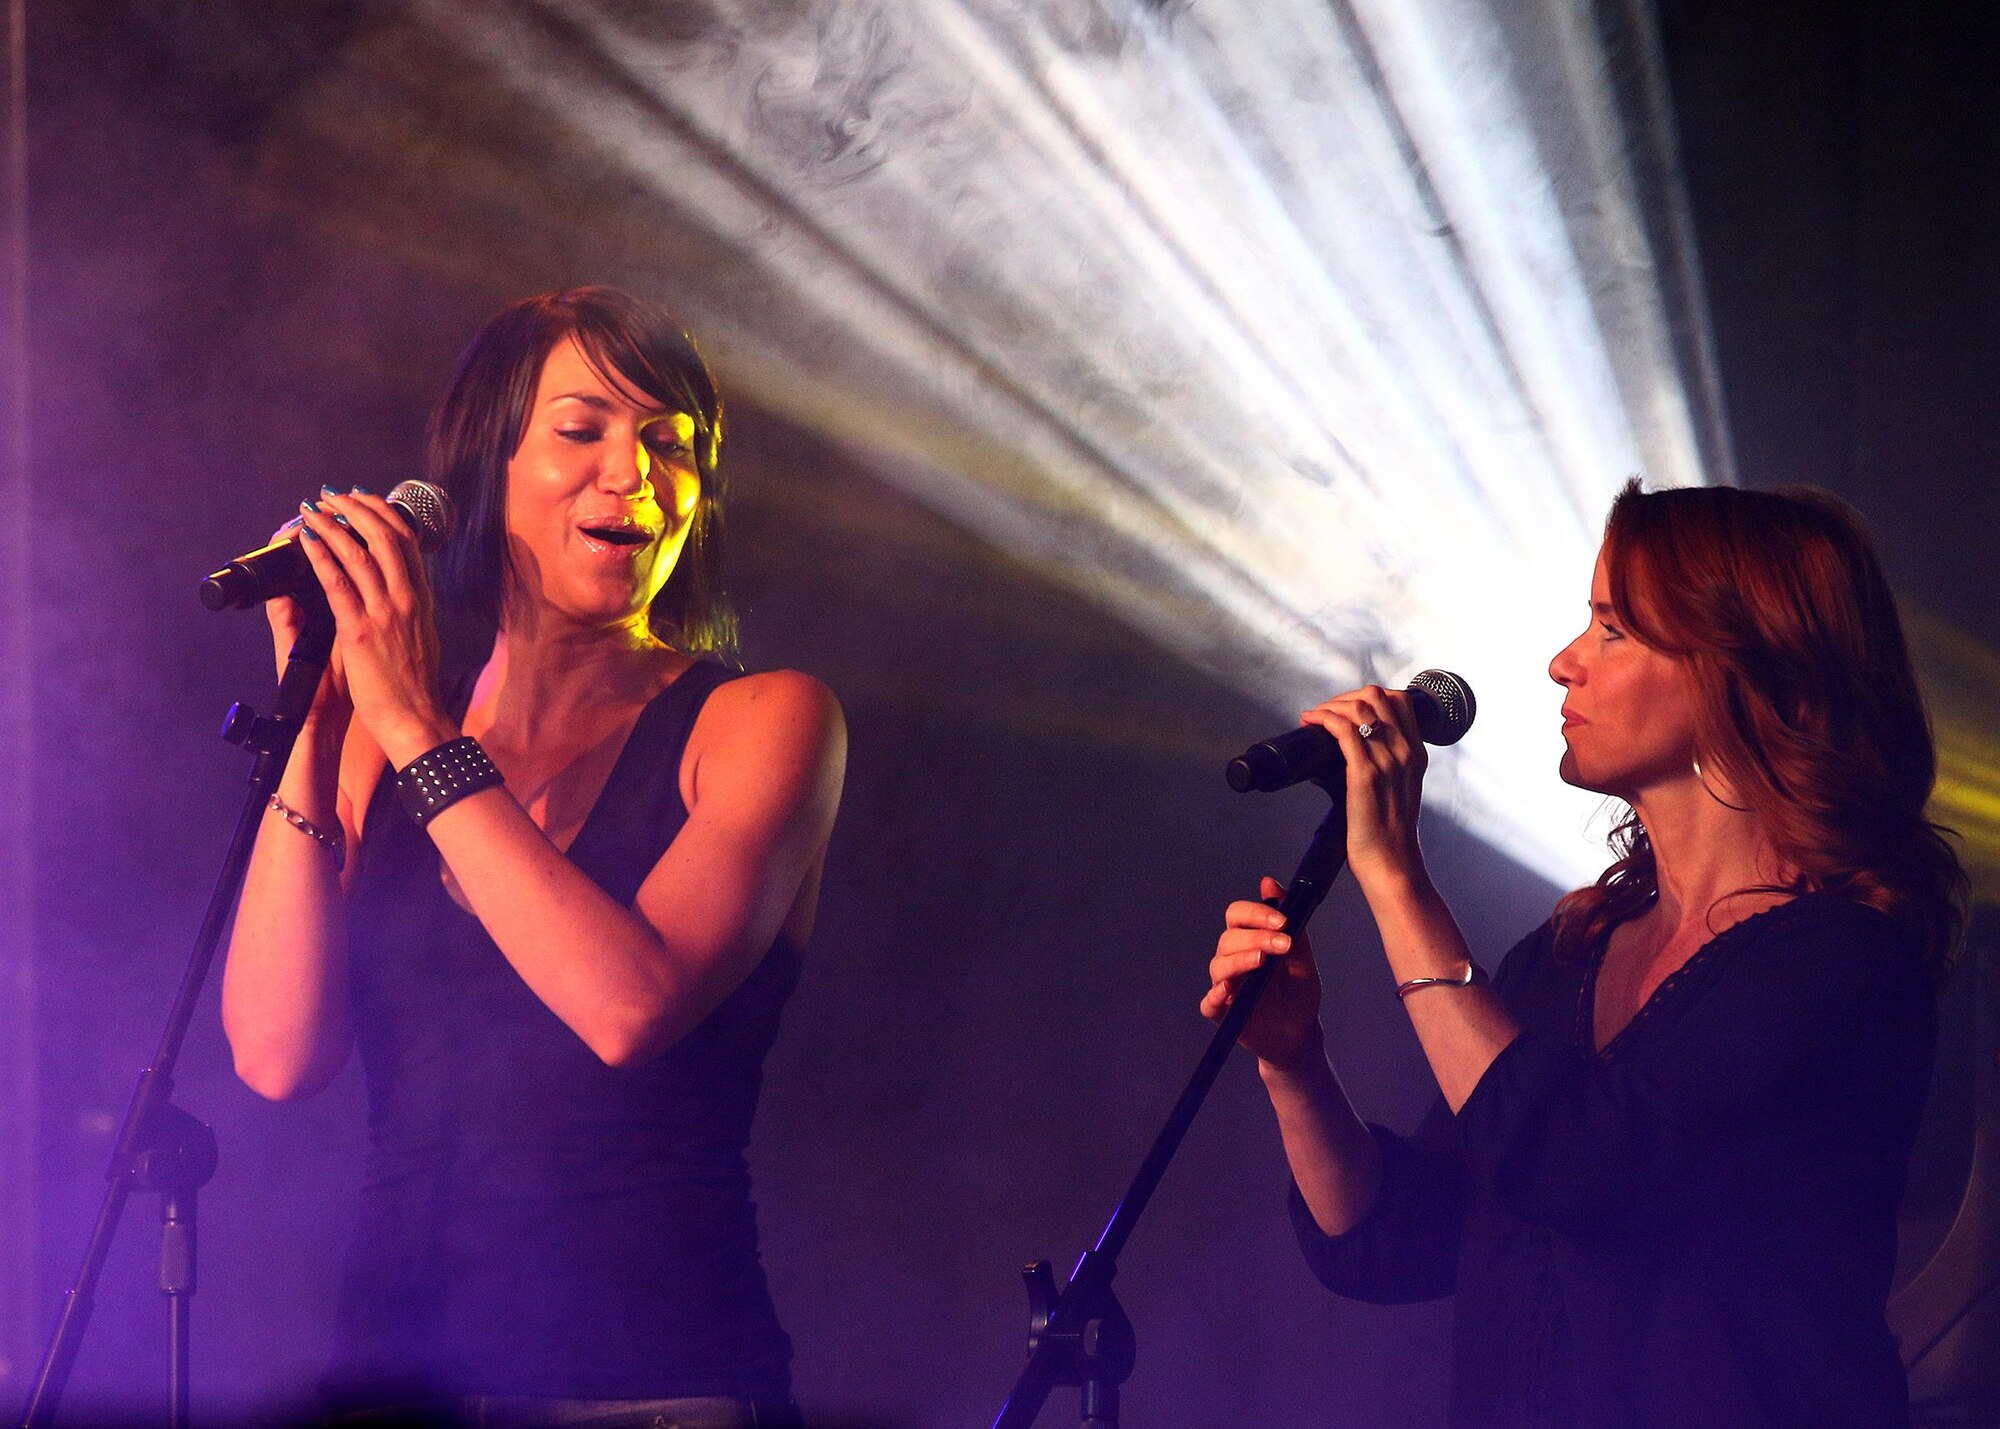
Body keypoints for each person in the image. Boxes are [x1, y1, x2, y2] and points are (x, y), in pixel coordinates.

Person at [1206, 482, 1965, 1427]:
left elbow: (1578, 1162)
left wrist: (1399, 882)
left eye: (1612, 628)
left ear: (1738, 665)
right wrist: (1295, 1065)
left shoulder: (1843, 962)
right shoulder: (1570, 954)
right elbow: (1402, 1239)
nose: (1564, 663)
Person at [221, 287, 843, 1426]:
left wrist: (414, 728)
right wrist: (314, 727)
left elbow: (626, 1006)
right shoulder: (378, 733)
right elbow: (274, 1055)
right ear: (481, 469)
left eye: (671, 443)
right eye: (583, 429)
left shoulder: (764, 721)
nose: (634, 472)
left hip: (652, 1384)